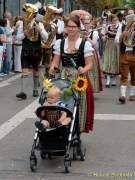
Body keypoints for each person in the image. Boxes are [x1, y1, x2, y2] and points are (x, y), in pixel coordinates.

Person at [49, 15, 94, 133]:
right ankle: (62, 127)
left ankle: (76, 130)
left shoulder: (84, 44)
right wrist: (53, 67)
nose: (71, 29)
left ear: (78, 28)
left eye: (73, 26)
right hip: (64, 76)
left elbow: (90, 64)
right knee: (63, 103)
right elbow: (56, 60)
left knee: (78, 104)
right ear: (65, 28)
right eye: (68, 26)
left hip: (79, 78)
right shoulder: (60, 43)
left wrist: (83, 70)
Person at [16, 3, 48, 99]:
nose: (27, 14)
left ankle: (35, 90)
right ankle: (23, 92)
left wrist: (40, 31)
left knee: (36, 70)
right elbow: (18, 38)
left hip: (36, 50)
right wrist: (24, 34)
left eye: (30, 13)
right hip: (25, 49)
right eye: (27, 12)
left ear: (34, 14)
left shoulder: (40, 23)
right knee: (24, 70)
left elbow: (46, 38)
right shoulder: (22, 23)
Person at [118, 9, 135, 104]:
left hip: (134, 53)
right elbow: (117, 41)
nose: (130, 16)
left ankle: (132, 94)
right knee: (124, 75)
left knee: (134, 76)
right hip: (124, 53)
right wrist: (122, 35)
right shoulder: (122, 27)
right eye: (128, 14)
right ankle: (123, 95)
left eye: (132, 14)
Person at [102, 14, 120, 87]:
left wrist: (110, 32)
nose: (115, 21)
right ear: (111, 20)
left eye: (116, 20)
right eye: (114, 20)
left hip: (116, 45)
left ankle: (114, 80)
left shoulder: (119, 27)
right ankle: (108, 80)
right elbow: (103, 35)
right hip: (109, 44)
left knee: (115, 61)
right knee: (108, 61)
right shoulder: (108, 26)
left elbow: (119, 35)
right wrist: (104, 35)